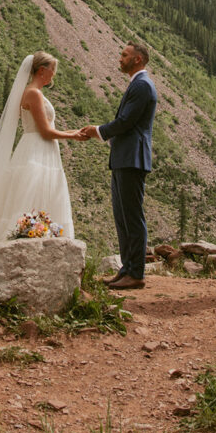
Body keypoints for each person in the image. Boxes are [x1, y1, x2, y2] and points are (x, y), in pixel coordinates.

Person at [0, 51, 85, 248]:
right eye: (52, 70)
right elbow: (46, 131)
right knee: (32, 192)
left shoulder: (32, 92)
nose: (53, 75)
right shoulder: (33, 93)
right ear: (42, 70)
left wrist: (78, 131)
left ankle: (39, 235)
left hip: (38, 148)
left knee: (36, 192)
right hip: (37, 149)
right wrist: (73, 135)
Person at [80, 43, 157, 290]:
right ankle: (127, 268)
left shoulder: (142, 85)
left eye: (124, 55)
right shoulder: (137, 84)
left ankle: (136, 272)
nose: (120, 58)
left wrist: (98, 131)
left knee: (132, 216)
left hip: (132, 158)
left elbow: (126, 122)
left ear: (137, 59)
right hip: (124, 157)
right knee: (122, 216)